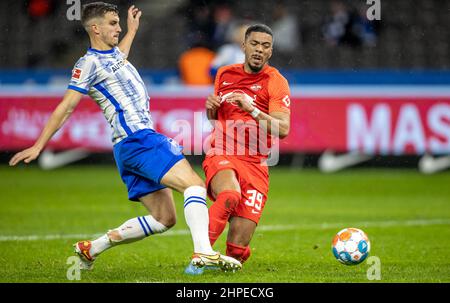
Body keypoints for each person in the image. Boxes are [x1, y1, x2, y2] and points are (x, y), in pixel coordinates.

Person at [9, 2, 241, 273]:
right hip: (139, 139)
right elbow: (67, 105)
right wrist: (39, 145)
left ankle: (92, 248)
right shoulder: (89, 63)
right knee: (195, 186)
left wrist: (131, 30)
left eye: (118, 23)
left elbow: (120, 56)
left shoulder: (113, 57)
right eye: (112, 23)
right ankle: (204, 252)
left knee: (164, 218)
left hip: (125, 148)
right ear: (95, 28)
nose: (118, 28)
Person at [203, 24, 291, 267]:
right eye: (254, 44)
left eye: (265, 46)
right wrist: (210, 108)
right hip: (223, 151)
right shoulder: (225, 74)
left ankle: (238, 250)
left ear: (270, 52)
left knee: (235, 254)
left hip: (256, 163)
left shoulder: (276, 82)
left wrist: (251, 108)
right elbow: (215, 118)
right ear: (243, 46)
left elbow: (283, 129)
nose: (259, 50)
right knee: (229, 195)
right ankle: (200, 255)